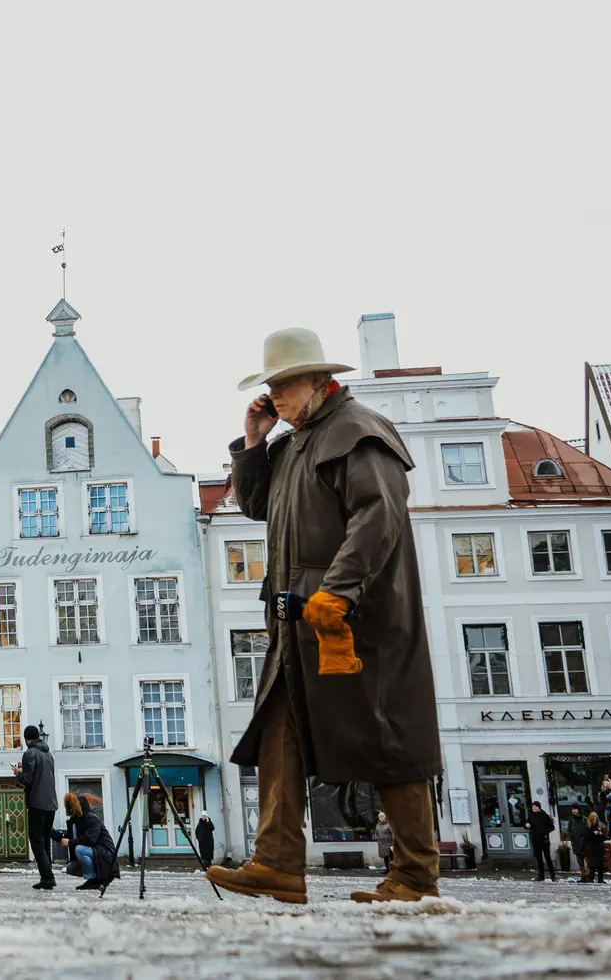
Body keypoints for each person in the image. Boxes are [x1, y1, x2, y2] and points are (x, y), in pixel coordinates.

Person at [206, 329, 442, 906]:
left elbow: (377, 515)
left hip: (358, 621)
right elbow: (257, 506)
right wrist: (254, 441)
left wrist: (338, 593)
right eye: (271, 385)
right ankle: (278, 863)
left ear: (319, 379)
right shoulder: (295, 443)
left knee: (388, 737)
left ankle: (416, 876)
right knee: (277, 733)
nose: (275, 394)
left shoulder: (357, 430)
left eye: (284, 384)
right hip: (299, 625)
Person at [15, 724, 58, 890]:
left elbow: (27, 778)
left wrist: (18, 773)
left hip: (37, 803)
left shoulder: (30, 753)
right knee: (45, 841)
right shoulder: (49, 754)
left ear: (27, 739)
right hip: (51, 803)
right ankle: (47, 876)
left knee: (37, 841)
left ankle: (48, 877)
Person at [61, 792, 118, 890]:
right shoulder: (75, 820)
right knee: (70, 868)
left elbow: (90, 839)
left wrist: (70, 842)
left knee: (80, 850)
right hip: (95, 851)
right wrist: (50, 833)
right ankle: (94, 878)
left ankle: (93, 879)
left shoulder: (92, 819)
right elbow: (67, 838)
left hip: (106, 853)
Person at [528, 801, 556, 882]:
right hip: (535, 840)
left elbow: (552, 827)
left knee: (547, 858)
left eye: (535, 806)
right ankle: (541, 876)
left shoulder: (545, 816)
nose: (534, 808)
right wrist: (526, 825)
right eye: (533, 806)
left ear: (539, 807)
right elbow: (526, 823)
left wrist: (544, 832)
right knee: (539, 859)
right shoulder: (531, 815)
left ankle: (552, 876)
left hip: (544, 840)